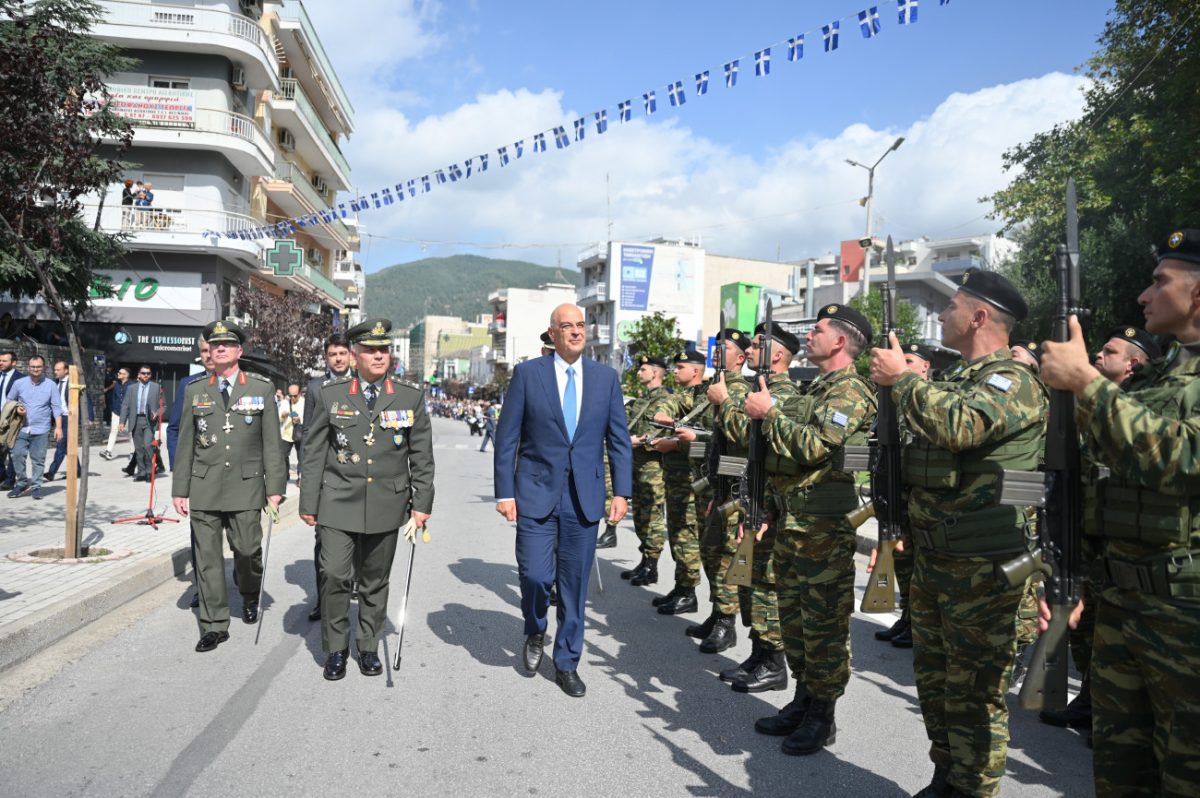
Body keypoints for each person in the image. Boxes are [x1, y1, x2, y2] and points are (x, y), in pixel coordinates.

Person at [869, 269, 1046, 798]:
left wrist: (903, 379)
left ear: (981, 317)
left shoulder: (1011, 382)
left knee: (974, 696)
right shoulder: (954, 381)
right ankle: (947, 778)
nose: (941, 316)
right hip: (935, 563)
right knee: (937, 686)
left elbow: (959, 427)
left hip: (985, 571)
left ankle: (972, 788)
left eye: (951, 308)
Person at [1039, 228, 1200, 797]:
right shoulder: (1157, 380)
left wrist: (1086, 382)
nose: (1144, 295)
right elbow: (1097, 485)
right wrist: (1071, 572)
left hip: (1187, 616)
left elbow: (1183, 459)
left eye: (1160, 282)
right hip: (1122, 601)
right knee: (1119, 774)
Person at [748, 304, 876, 754]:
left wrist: (770, 414)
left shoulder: (851, 392)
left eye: (818, 330)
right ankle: (803, 698)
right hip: (793, 522)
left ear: (840, 340)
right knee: (796, 623)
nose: (810, 335)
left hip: (822, 530)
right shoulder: (819, 388)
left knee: (823, 627)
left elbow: (814, 446)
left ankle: (823, 714)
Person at [493, 303, 632, 698]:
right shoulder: (528, 375)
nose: (575, 332)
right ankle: (535, 629)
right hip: (535, 494)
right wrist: (504, 492)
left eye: (580, 325)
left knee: (574, 587)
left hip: (584, 499)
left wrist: (621, 492)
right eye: (566, 326)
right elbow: (508, 439)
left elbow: (619, 440)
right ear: (552, 334)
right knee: (536, 576)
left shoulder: (606, 379)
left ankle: (567, 661)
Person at [300, 319, 434, 680]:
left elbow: (421, 455)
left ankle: (369, 646)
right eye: (371, 350)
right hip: (337, 500)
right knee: (334, 574)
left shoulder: (409, 395)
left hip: (387, 504)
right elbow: (312, 453)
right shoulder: (332, 393)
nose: (379, 355)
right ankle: (337, 648)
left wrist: (422, 503)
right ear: (355, 354)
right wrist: (308, 502)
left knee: (375, 580)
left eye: (384, 349)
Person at [172, 320, 285, 653]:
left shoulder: (261, 388)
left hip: (247, 486)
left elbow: (272, 444)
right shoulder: (196, 390)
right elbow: (186, 445)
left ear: (239, 351)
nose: (219, 348)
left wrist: (274, 488)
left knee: (248, 551)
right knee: (206, 560)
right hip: (205, 485)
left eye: (227, 344)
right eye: (214, 344)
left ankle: (250, 593)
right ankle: (214, 624)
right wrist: (180, 489)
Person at [707, 321, 802, 694]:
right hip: (752, 496)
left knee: (765, 584)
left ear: (777, 355)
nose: (752, 348)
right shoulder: (755, 390)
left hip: (772, 502)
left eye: (761, 343)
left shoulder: (784, 395)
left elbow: (749, 435)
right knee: (750, 580)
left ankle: (773, 662)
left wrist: (725, 403)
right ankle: (759, 653)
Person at [684, 329, 752, 653]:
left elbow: (741, 438)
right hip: (714, 483)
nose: (715, 352)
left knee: (726, 555)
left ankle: (727, 622)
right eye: (715, 347)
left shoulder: (740, 392)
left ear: (740, 358)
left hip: (732, 484)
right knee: (710, 551)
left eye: (723, 348)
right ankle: (716, 612)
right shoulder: (715, 388)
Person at [873, 343, 934, 650]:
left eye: (909, 360)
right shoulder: (897, 400)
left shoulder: (929, 401)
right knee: (902, 561)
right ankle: (907, 617)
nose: (902, 364)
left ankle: (914, 620)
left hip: (920, 497)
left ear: (925, 367)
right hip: (898, 493)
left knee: (916, 565)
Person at [646, 350, 708, 615]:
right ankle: (682, 587)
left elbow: (709, 443)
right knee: (678, 533)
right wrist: (664, 415)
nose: (674, 371)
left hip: (695, 481)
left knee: (687, 536)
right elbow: (669, 407)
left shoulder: (706, 398)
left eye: (680, 366)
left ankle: (689, 591)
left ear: (695, 371)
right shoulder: (685, 397)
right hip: (677, 478)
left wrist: (674, 445)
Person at [302, 332, 354, 623]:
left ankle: (349, 586)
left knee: (355, 538)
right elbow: (308, 433)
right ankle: (324, 600)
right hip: (325, 475)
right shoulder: (315, 388)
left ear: (350, 356)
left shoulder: (361, 385)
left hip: (355, 473)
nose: (338, 359)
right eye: (333, 354)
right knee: (323, 539)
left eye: (342, 354)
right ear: (326, 358)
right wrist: (306, 474)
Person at [622, 354, 673, 588]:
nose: (638, 372)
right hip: (636, 464)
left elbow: (666, 433)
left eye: (643, 369)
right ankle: (645, 559)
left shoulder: (666, 400)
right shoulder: (641, 400)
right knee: (641, 515)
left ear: (655, 372)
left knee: (652, 515)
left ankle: (652, 565)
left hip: (654, 466)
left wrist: (639, 441)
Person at [6, 355, 62, 499]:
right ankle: (22, 483)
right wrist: (17, 408)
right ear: (28, 367)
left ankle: (36, 486)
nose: (35, 369)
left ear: (43, 368)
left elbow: (56, 407)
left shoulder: (51, 385)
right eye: (33, 366)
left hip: (41, 429)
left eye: (38, 366)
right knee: (17, 455)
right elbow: (10, 400)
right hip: (20, 427)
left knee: (38, 459)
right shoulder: (19, 383)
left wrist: (59, 427)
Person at [119, 365, 162, 482]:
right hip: (135, 420)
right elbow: (125, 406)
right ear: (138, 375)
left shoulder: (156, 387)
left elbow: (164, 405)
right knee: (138, 449)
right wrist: (122, 421)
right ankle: (141, 472)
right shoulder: (131, 388)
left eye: (148, 373)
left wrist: (157, 413)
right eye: (143, 373)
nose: (146, 375)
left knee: (148, 445)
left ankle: (149, 472)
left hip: (149, 421)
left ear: (151, 375)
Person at [0, 350, 25, 490]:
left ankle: (10, 480)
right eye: (0, 360)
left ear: (13, 363)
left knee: (12, 449)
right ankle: (2, 475)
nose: (0, 363)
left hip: (12, 418)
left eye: (4, 361)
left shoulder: (21, 379)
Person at [100, 367, 131, 460]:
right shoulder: (116, 384)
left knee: (132, 434)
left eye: (120, 373)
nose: (118, 374)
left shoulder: (132, 385)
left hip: (129, 413)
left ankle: (133, 453)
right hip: (116, 412)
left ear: (126, 375)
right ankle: (108, 451)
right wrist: (113, 409)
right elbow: (114, 397)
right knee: (113, 431)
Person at [280, 383, 304, 477]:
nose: (292, 398)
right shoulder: (285, 402)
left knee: (301, 457)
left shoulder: (305, 402)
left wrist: (300, 420)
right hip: (286, 434)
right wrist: (283, 416)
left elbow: (309, 418)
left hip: (299, 433)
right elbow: (279, 418)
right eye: (290, 396)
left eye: (295, 396)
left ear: (300, 393)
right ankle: (285, 475)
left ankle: (300, 478)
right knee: (282, 456)